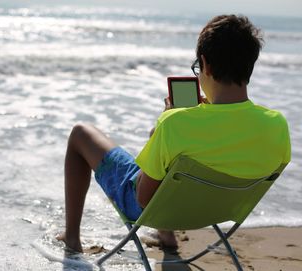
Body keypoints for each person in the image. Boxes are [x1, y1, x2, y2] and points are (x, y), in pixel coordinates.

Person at [57, 14, 291, 253]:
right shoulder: (277, 124)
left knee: (80, 133)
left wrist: (167, 121)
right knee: (160, 140)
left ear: (206, 64)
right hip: (216, 211)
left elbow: (144, 200)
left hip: (161, 210)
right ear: (250, 64)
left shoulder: (175, 123)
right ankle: (166, 236)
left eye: (198, 68)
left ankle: (72, 237)